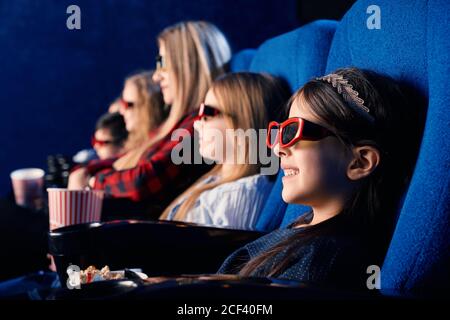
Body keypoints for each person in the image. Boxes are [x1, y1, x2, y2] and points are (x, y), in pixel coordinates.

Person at [213, 67, 424, 289]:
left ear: (360, 162)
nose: (277, 149)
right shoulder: (303, 227)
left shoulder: (321, 261)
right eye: (280, 132)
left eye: (293, 131)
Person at [68, 21, 232, 212]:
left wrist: (93, 180)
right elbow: (129, 159)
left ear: (189, 67)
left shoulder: (200, 125)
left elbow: (144, 181)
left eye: (163, 64)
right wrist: (89, 168)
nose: (156, 76)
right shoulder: (179, 122)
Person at [160, 72, 290, 230]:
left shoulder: (239, 195)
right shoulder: (217, 178)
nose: (196, 125)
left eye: (206, 114)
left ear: (243, 123)